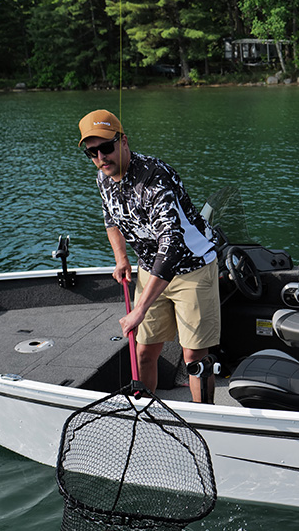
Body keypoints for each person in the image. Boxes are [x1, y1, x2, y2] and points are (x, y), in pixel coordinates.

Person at [78, 108, 220, 402]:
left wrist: (139, 309)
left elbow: (172, 244)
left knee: (194, 358)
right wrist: (121, 258)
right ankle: (147, 413)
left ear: (123, 141)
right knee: (144, 351)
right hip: (150, 270)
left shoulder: (155, 178)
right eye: (92, 152)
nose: (101, 157)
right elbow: (111, 218)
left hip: (192, 268)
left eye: (107, 147)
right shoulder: (103, 178)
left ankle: (203, 421)